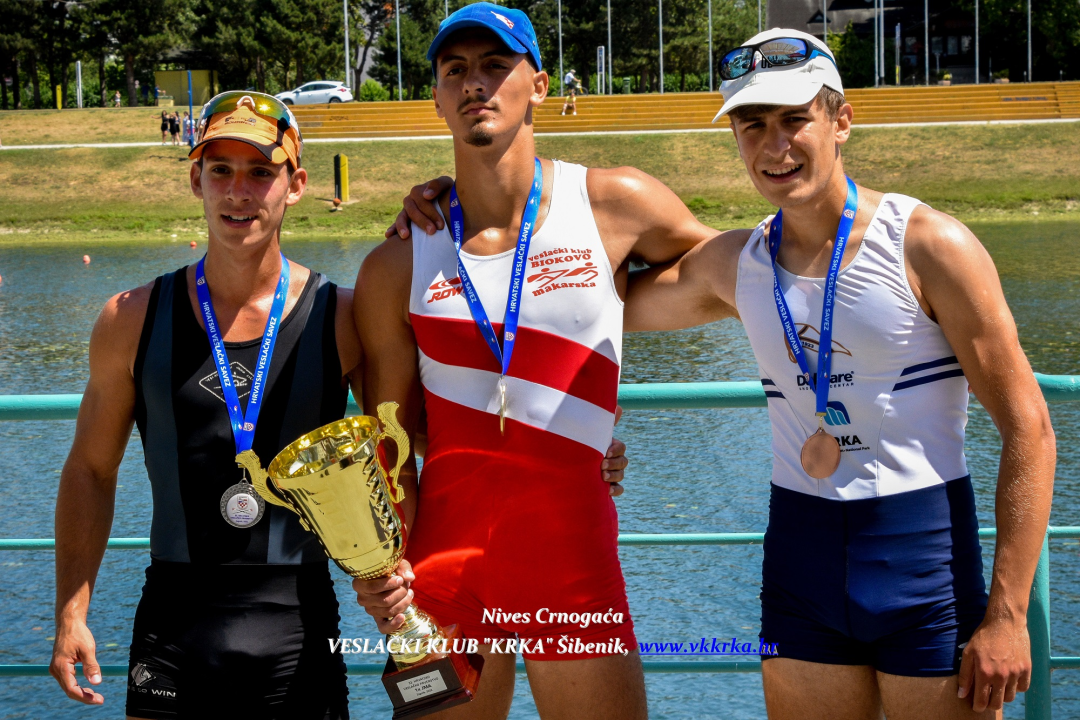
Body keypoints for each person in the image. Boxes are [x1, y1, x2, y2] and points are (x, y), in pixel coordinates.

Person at [617, 30, 1054, 719]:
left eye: (795, 120)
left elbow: (1029, 428)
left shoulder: (928, 244)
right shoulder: (734, 263)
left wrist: (1007, 613)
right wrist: (443, 219)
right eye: (751, 125)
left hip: (925, 567)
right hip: (800, 567)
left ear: (841, 121)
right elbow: (590, 301)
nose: (773, 145)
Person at [350, 5, 714, 719]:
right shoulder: (397, 260)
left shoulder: (617, 204)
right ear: (435, 96)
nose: (474, 84)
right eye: (455, 70)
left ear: (541, 85)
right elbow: (389, 441)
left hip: (571, 563)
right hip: (442, 575)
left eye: (496, 65)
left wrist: (579, 418)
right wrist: (381, 569)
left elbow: (747, 279)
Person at [49, 91, 358, 719]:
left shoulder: (344, 315)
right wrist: (71, 612)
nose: (238, 192)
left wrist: (583, 444)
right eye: (221, 170)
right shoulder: (130, 318)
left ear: (295, 185)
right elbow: (90, 470)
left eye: (261, 172)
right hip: (174, 626)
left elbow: (418, 438)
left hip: (299, 624)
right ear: (197, 180)